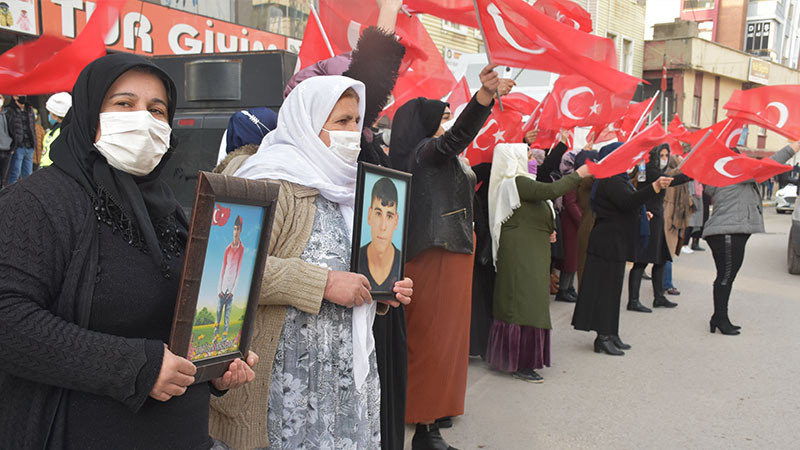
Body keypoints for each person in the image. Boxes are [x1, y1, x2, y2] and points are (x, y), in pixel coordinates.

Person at [0, 53, 256, 450]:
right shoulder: (39, 202)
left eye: (157, 110)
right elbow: (9, 320)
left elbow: (182, 321)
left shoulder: (172, 212)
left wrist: (215, 365)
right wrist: (135, 366)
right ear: (89, 113)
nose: (144, 120)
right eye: (124, 104)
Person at [210, 75, 413, 449]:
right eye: (341, 122)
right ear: (306, 123)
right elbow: (225, 270)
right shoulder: (267, 181)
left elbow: (356, 271)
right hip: (284, 384)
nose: (354, 132)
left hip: (343, 381)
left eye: (357, 121)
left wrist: (380, 289)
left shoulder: (349, 189)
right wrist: (323, 283)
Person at [390, 63, 499, 450]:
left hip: (452, 254)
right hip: (435, 255)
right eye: (445, 116)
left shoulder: (438, 156)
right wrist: (483, 98)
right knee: (432, 342)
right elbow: (455, 140)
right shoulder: (424, 152)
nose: (448, 123)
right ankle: (424, 428)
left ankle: (435, 414)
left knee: (449, 343)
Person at [487, 143, 591, 382]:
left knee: (530, 302)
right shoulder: (516, 182)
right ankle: (519, 362)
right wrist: (578, 175)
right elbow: (550, 191)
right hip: (521, 254)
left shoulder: (521, 182)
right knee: (523, 303)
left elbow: (538, 207)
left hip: (530, 251)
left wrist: (547, 228)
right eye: (527, 154)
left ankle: (516, 358)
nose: (532, 157)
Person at [571, 143, 673, 356]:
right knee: (606, 291)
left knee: (613, 289)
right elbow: (626, 201)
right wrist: (653, 188)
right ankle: (603, 337)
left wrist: (639, 213)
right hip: (607, 242)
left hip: (614, 241)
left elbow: (623, 205)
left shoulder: (618, 177)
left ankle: (611, 331)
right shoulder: (610, 178)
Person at [703, 141, 800, 335]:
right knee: (725, 277)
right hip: (727, 233)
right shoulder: (736, 173)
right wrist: (793, 147)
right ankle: (720, 319)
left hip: (727, 232)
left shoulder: (723, 176)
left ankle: (718, 317)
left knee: (726, 277)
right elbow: (770, 163)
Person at [627, 144, 690, 313]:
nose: (664, 158)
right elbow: (671, 181)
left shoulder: (645, 168)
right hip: (649, 217)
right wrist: (691, 173)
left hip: (656, 218)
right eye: (661, 155)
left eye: (666, 155)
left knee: (661, 258)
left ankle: (659, 297)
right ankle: (633, 300)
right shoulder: (649, 170)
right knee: (641, 261)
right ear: (654, 155)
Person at [359, 177, 402, 291]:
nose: (383, 227)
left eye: (389, 216)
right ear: (369, 215)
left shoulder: (402, 264)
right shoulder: (354, 259)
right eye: (378, 214)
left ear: (396, 221)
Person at [215, 216, 244, 341]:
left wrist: (233, 291)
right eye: (234, 229)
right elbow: (222, 270)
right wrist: (219, 290)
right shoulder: (227, 249)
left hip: (231, 290)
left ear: (240, 231)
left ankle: (224, 339)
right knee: (218, 315)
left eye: (238, 229)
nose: (235, 232)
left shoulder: (241, 249)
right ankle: (215, 338)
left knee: (227, 317)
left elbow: (238, 271)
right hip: (223, 289)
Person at [5, 93, 37, 184]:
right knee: (14, 173)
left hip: (29, 145)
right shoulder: (9, 110)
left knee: (28, 174)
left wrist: (33, 143)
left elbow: (32, 127)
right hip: (17, 146)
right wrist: (11, 146)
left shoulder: (29, 109)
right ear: (14, 97)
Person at [40, 92, 72, 168]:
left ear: (55, 115)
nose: (49, 116)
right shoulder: (54, 130)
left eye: (50, 113)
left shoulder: (62, 132)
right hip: (47, 167)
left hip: (53, 168)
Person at [0, 94, 13, 186]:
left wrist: (13, 147)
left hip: (7, 150)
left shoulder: (7, 114)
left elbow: (14, 131)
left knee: (3, 178)